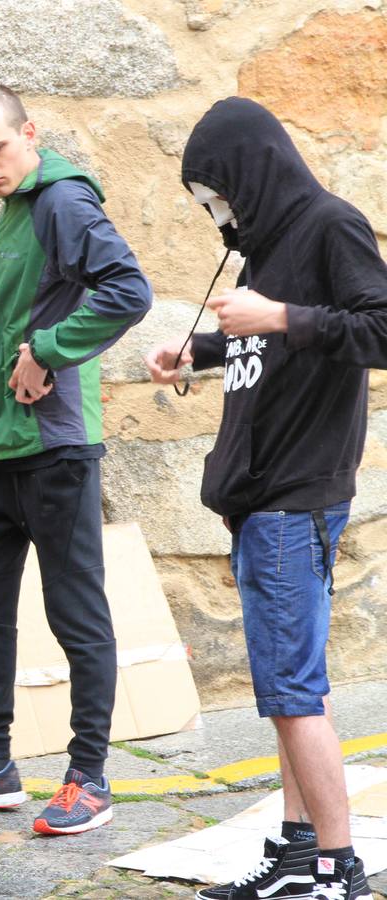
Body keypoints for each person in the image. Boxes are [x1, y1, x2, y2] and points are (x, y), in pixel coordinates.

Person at [146, 98, 383, 900]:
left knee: (293, 692)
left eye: (219, 194)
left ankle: (335, 869)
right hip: (259, 497)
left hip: (295, 493)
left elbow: (379, 327)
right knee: (287, 694)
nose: (219, 212)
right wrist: (200, 349)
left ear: (251, 171)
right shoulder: (266, 247)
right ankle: (295, 853)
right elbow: (264, 336)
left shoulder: (329, 224)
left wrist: (278, 313)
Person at [0, 83, 151, 835]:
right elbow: (38, 303)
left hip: (55, 448)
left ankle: (89, 779)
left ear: (30, 133)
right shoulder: (17, 209)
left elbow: (126, 291)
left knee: (75, 613)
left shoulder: (62, 201)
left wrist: (45, 350)